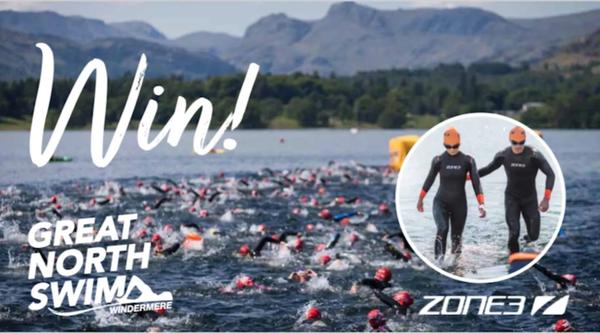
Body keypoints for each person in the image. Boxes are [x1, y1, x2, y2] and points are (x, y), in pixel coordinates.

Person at [478, 126, 555, 253]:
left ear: (525, 140)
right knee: (514, 232)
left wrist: (546, 199)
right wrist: (468, 177)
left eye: (521, 143)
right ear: (510, 140)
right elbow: (487, 169)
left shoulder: (534, 156)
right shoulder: (503, 155)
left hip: (530, 199)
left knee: (534, 235)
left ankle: (527, 243)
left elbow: (550, 174)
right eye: (515, 143)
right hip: (511, 199)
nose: (518, 146)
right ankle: (513, 257)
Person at [417, 127, 486, 260]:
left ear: (459, 144)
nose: (452, 149)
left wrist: (481, 204)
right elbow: (429, 180)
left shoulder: (468, 161)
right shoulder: (438, 160)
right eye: (449, 146)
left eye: (455, 146)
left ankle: (456, 265)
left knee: (456, 238)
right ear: (444, 145)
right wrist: (420, 199)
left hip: (459, 205)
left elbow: (476, 183)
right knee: (442, 228)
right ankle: (438, 262)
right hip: (440, 202)